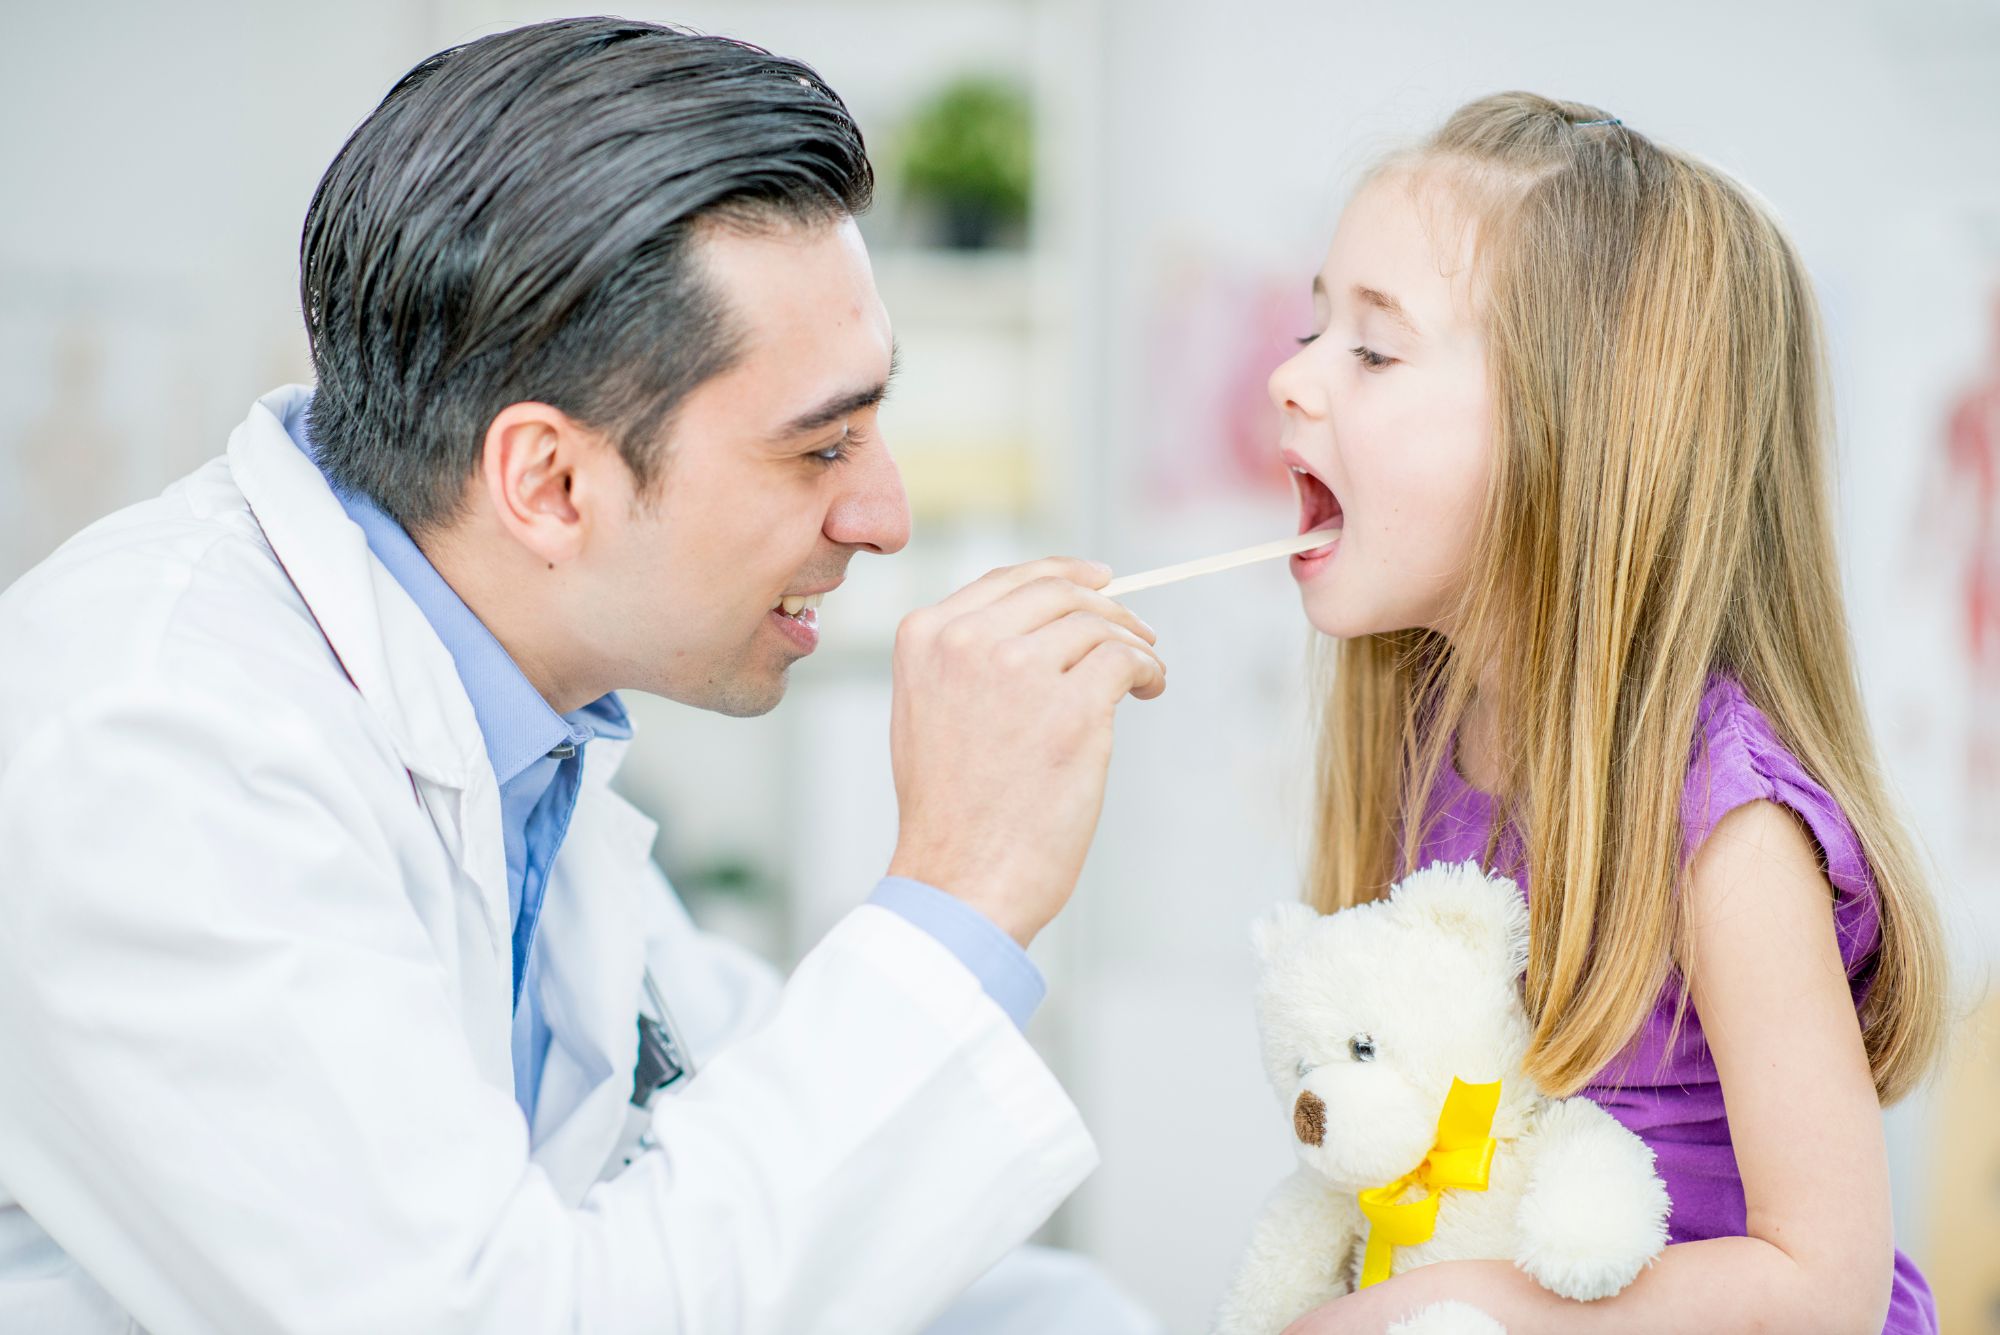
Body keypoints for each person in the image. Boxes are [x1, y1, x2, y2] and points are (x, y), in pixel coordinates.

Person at [0, 19, 1168, 1334]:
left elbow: (756, 1186)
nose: (884, 515)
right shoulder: (154, 747)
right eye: (820, 448)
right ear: (549, 483)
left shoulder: (520, 739)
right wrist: (964, 887)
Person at [1258, 92, 1947, 1332]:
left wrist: (1465, 1309)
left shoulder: (1726, 828)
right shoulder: (1421, 741)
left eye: (1370, 348)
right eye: (1315, 328)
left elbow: (1825, 1287)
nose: (1288, 378)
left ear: (1573, 432)